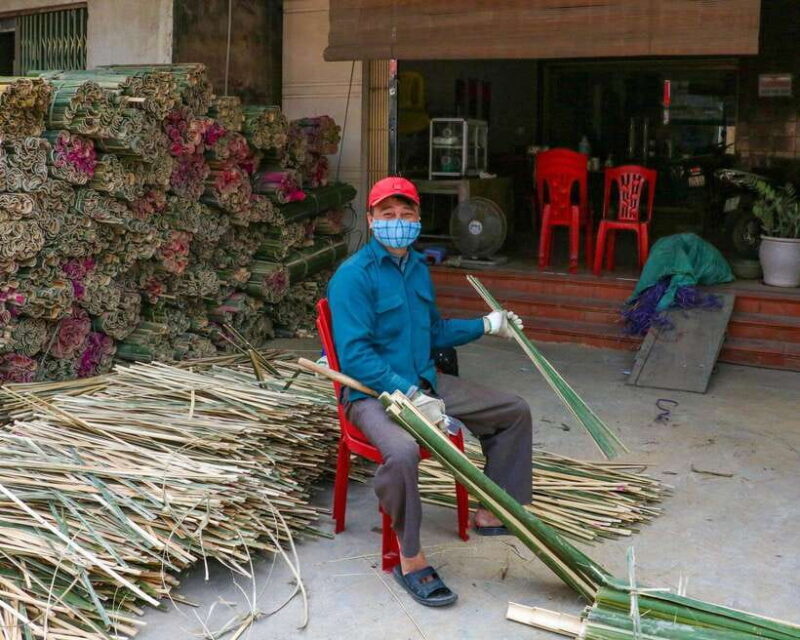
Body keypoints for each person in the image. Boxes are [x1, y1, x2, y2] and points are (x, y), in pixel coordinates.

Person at [327, 177, 533, 607]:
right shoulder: (353, 277)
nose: (397, 222)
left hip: (426, 383)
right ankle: (411, 557)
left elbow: (433, 330)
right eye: (388, 215)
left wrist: (486, 325)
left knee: (512, 410)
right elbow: (355, 357)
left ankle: (493, 509)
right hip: (371, 395)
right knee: (401, 453)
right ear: (371, 220)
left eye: (406, 214)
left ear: (419, 220)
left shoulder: (417, 266)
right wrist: (406, 394)